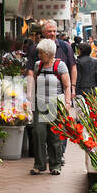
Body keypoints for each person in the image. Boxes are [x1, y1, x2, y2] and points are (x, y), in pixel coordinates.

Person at [27, 38, 71, 176]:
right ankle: (39, 165)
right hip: (40, 105)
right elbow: (35, 83)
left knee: (55, 136)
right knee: (38, 134)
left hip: (55, 105)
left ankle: (55, 165)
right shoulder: (37, 65)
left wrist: (67, 103)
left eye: (41, 53)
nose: (39, 55)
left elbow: (67, 86)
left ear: (49, 53)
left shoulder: (60, 66)